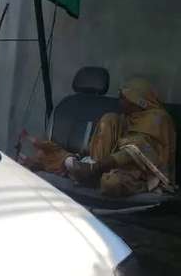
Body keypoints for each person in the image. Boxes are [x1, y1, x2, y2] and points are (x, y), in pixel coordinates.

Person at [23, 78, 176, 198]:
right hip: (107, 166)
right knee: (110, 118)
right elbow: (104, 142)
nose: (119, 102)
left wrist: (95, 168)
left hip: (142, 174)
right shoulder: (128, 118)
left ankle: (88, 172)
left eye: (123, 98)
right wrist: (89, 161)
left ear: (137, 100)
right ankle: (83, 170)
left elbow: (133, 151)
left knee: (110, 183)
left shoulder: (158, 119)